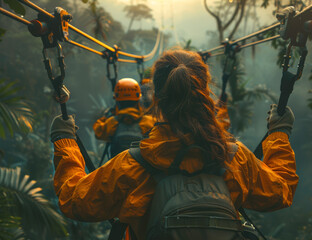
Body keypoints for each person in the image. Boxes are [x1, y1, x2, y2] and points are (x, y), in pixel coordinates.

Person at [50, 50, 298, 240]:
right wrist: (278, 133)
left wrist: (65, 141)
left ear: (155, 98)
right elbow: (281, 191)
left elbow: (74, 200)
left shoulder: (132, 166)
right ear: (205, 94)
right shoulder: (235, 158)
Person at [93, 78, 156, 158]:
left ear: (117, 102)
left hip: (118, 169)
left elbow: (98, 132)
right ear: (138, 101)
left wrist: (106, 116)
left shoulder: (111, 123)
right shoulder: (150, 122)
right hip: (142, 170)